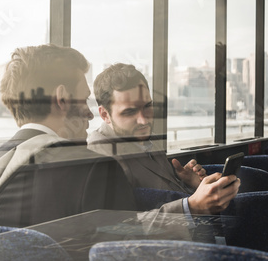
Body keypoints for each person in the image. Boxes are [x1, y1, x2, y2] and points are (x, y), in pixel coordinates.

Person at [0, 45, 191, 228]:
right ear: (62, 99)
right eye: (84, 99)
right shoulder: (94, 169)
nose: (89, 113)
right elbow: (124, 255)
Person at [88, 63, 240, 215]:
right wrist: (192, 206)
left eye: (148, 106)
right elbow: (121, 224)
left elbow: (163, 196)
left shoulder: (146, 138)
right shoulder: (100, 153)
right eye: (129, 112)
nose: (143, 120)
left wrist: (193, 185)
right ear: (105, 115)